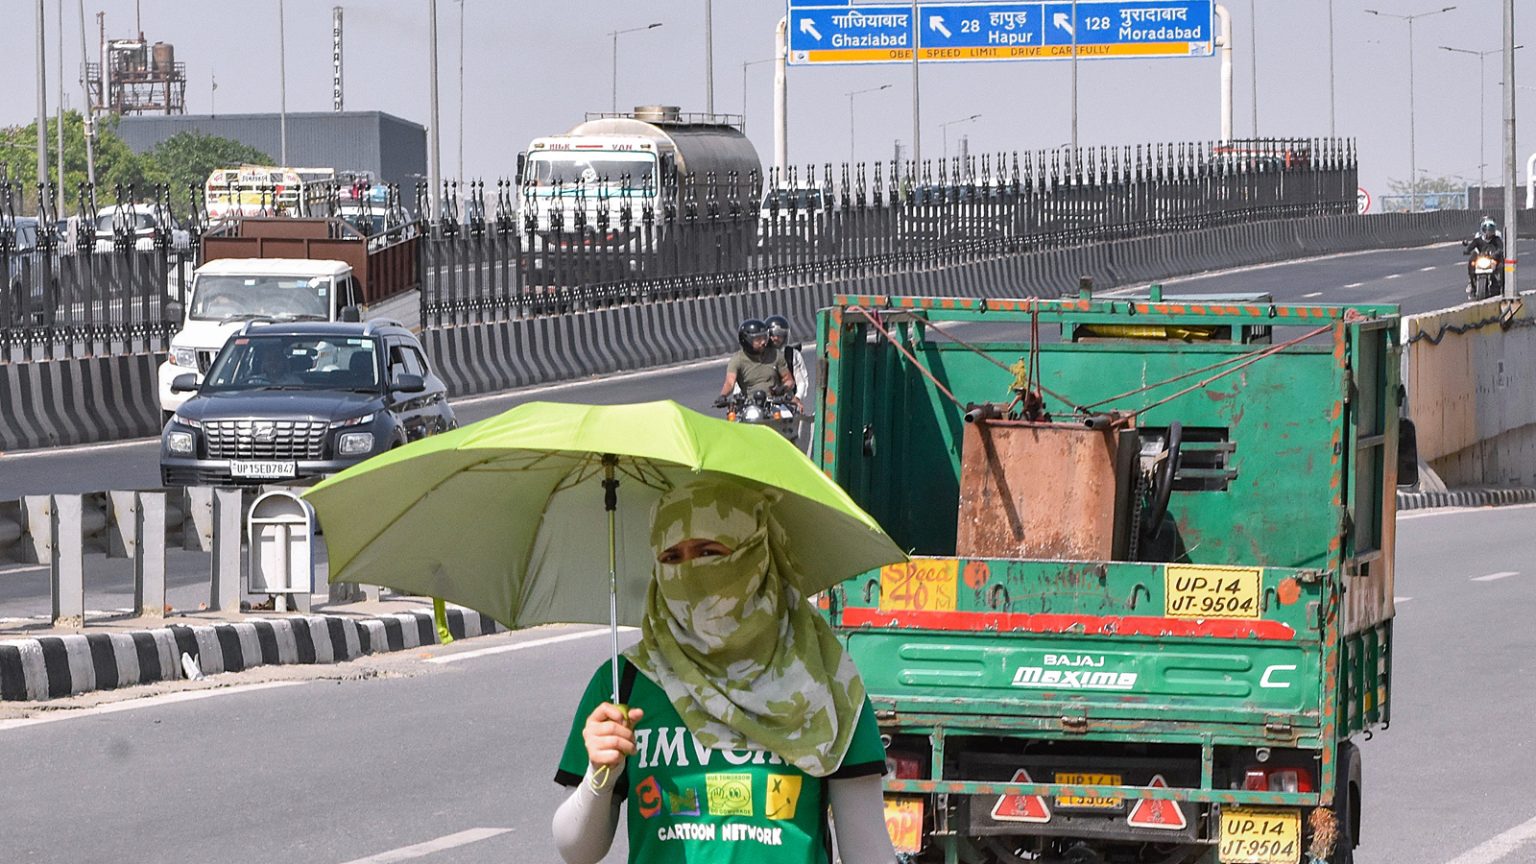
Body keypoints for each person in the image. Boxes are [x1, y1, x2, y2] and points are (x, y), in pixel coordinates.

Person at [552, 480, 895, 864]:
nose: (690, 570)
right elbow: (576, 850)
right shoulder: (624, 683)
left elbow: (868, 850)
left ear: (755, 555)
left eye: (708, 551)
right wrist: (600, 777)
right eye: (671, 558)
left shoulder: (826, 681)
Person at [714, 319, 798, 410]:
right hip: (749, 406)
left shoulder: (776, 355)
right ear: (746, 340)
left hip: (774, 403)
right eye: (758, 339)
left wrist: (783, 388)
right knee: (733, 417)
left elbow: (789, 380)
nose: (763, 342)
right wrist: (723, 396)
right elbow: (729, 383)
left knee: (789, 417)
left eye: (764, 338)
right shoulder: (737, 360)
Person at [765, 315, 809, 404]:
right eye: (772, 335)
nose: (776, 338)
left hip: (787, 401)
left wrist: (797, 397)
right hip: (763, 401)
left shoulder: (793, 354)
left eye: (779, 335)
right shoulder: (758, 355)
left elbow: (802, 382)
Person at [1462, 217, 1506, 294]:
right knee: (1471, 262)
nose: (1488, 232)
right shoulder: (1478, 239)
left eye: (1490, 229)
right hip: (1482, 258)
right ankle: (1472, 283)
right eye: (1486, 229)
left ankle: (1503, 286)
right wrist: (1467, 251)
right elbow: (1471, 246)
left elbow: (1500, 248)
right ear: (1482, 229)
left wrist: (1496, 254)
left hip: (1494, 259)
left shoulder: (1497, 239)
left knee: (1502, 266)